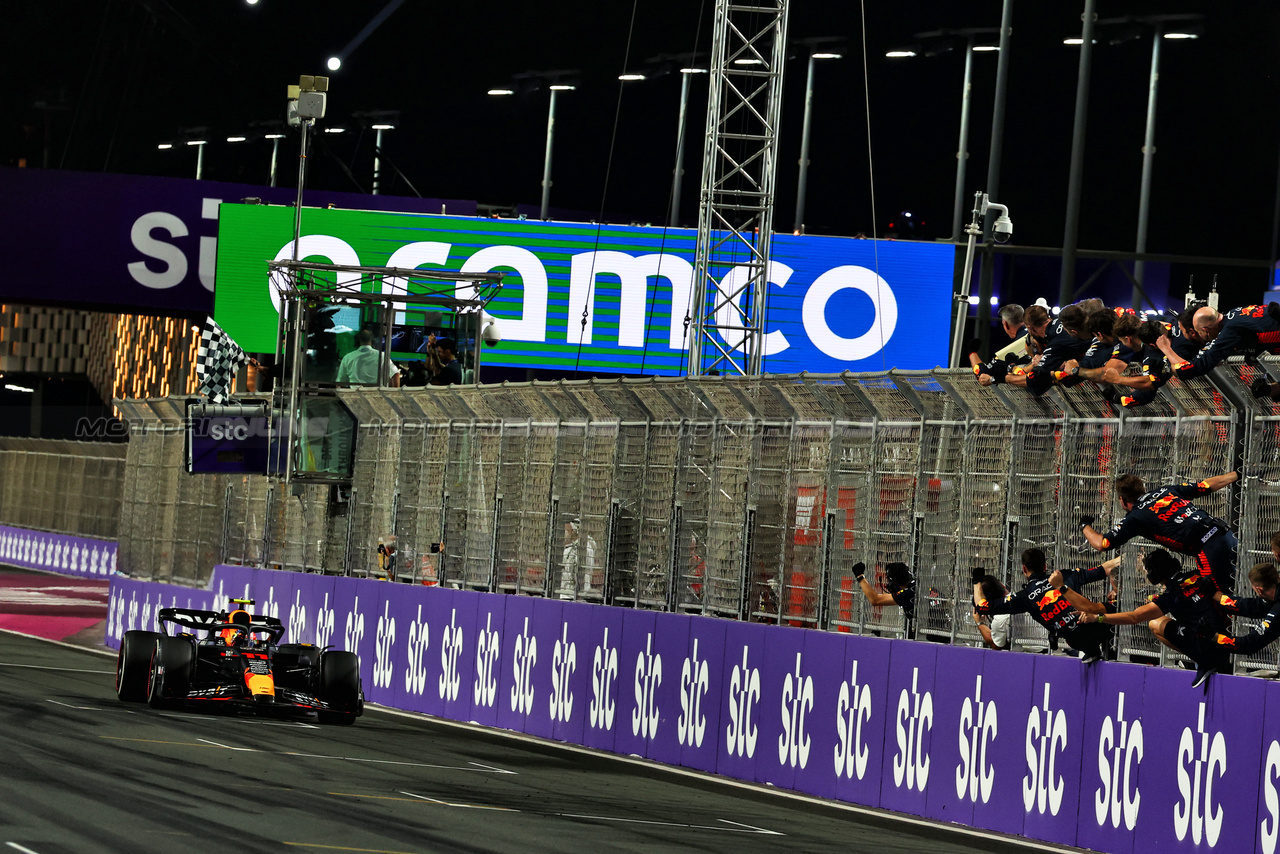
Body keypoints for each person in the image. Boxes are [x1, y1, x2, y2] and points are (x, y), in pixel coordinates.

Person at [1071, 549, 1228, 689]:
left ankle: (1204, 660)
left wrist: (1098, 618)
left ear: (1154, 573)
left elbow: (1134, 617)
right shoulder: (1195, 576)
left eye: (1146, 570)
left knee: (1155, 623)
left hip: (1209, 644)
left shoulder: (1171, 595)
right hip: (1225, 636)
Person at [1081, 471, 1240, 592]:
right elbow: (1205, 486)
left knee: (1217, 598)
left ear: (1122, 500)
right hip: (1225, 533)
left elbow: (1102, 544)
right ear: (1142, 488)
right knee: (1245, 583)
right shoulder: (1166, 491)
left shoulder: (1135, 517)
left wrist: (1084, 525)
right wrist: (1236, 474)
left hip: (1208, 549)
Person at [972, 548, 1112, 662]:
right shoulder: (1064, 575)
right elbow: (1104, 569)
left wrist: (976, 582)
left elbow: (982, 606)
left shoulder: (1024, 597)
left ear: (1024, 569)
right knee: (1109, 605)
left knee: (1070, 636)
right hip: (1108, 625)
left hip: (1079, 642)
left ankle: (1094, 652)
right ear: (1045, 566)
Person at [1157, 303, 1280, 381]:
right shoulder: (1234, 313)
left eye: (1198, 332)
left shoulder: (1229, 331)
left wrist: (1166, 350)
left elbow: (1195, 368)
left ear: (1206, 330)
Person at [1209, 562, 1280, 658]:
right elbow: (1253, 606)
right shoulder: (1275, 598)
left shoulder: (1278, 610)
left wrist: (1213, 637)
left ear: (1259, 590)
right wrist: (1214, 594)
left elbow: (1250, 644)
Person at [853, 561, 915, 636]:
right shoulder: (915, 584)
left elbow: (875, 600)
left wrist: (860, 577)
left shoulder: (907, 593)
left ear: (895, 582)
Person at [559, 518, 598, 599]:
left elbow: (575, 570)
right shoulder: (579, 546)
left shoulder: (582, 548)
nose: (565, 533)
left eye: (567, 530)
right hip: (572, 591)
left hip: (573, 593)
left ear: (574, 531)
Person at [973, 574, 1012, 650]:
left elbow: (996, 645)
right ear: (1002, 585)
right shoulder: (1021, 597)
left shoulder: (1000, 618)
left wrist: (980, 623)